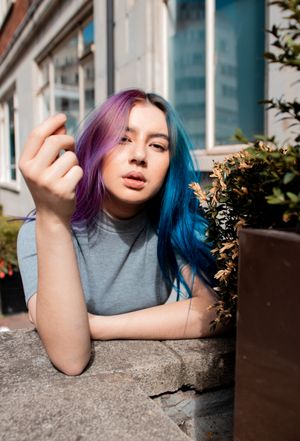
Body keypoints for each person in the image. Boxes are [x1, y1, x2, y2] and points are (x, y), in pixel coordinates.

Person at [17, 88, 219, 376]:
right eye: (123, 139)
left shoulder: (174, 227)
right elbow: (70, 358)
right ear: (96, 147)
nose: (139, 155)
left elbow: (215, 311)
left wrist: (96, 326)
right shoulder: (43, 229)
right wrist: (52, 218)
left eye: (157, 146)